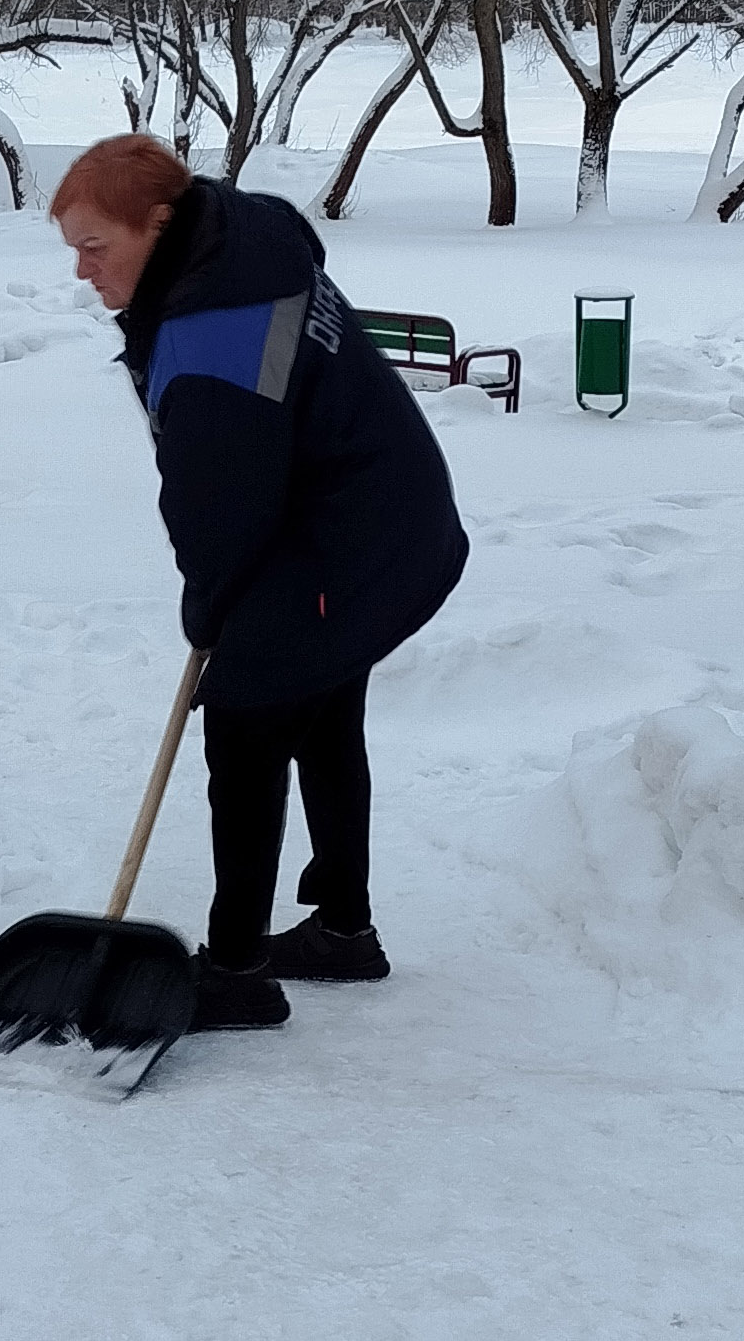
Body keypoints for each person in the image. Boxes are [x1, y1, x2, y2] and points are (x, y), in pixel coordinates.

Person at [54, 134, 468, 1031]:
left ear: (159, 224)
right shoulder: (240, 249)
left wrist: (211, 614)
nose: (83, 273)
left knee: (246, 722)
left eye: (96, 247)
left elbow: (219, 517)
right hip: (381, 522)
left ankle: (237, 969)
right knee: (319, 706)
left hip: (346, 540)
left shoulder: (212, 339)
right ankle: (344, 929)